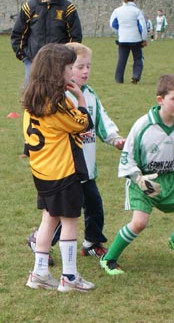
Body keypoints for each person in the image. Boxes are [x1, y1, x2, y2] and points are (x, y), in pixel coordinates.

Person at [26, 42, 127, 264]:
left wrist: (115, 138)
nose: (84, 71)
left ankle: (92, 242)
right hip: (65, 170)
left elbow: (101, 121)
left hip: (86, 169)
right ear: (63, 68)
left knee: (94, 207)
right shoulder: (58, 98)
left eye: (88, 66)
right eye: (78, 66)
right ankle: (40, 242)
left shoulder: (90, 95)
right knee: (61, 216)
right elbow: (80, 123)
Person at [100, 74, 174, 276]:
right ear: (160, 99)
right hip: (142, 179)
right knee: (139, 223)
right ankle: (108, 258)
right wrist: (138, 178)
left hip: (170, 179)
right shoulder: (143, 125)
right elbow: (127, 158)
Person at [22, 43, 95, 292]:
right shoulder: (57, 103)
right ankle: (70, 277)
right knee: (70, 222)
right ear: (56, 71)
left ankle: (40, 273)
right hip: (63, 172)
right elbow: (83, 123)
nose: (71, 72)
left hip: (42, 172)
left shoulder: (33, 98)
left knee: (48, 220)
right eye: (69, 67)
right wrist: (81, 98)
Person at [11, 0, 82, 88]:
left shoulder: (68, 8)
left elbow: (75, 37)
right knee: (32, 97)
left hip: (58, 63)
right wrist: (24, 56)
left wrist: (66, 58)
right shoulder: (30, 7)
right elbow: (18, 34)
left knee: (58, 96)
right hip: (33, 61)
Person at [110, 0, 148, 84]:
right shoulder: (137, 11)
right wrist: (144, 39)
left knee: (121, 60)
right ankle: (135, 76)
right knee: (138, 58)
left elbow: (112, 24)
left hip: (123, 39)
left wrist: (120, 31)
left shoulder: (117, 11)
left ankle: (119, 79)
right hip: (135, 39)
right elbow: (142, 26)